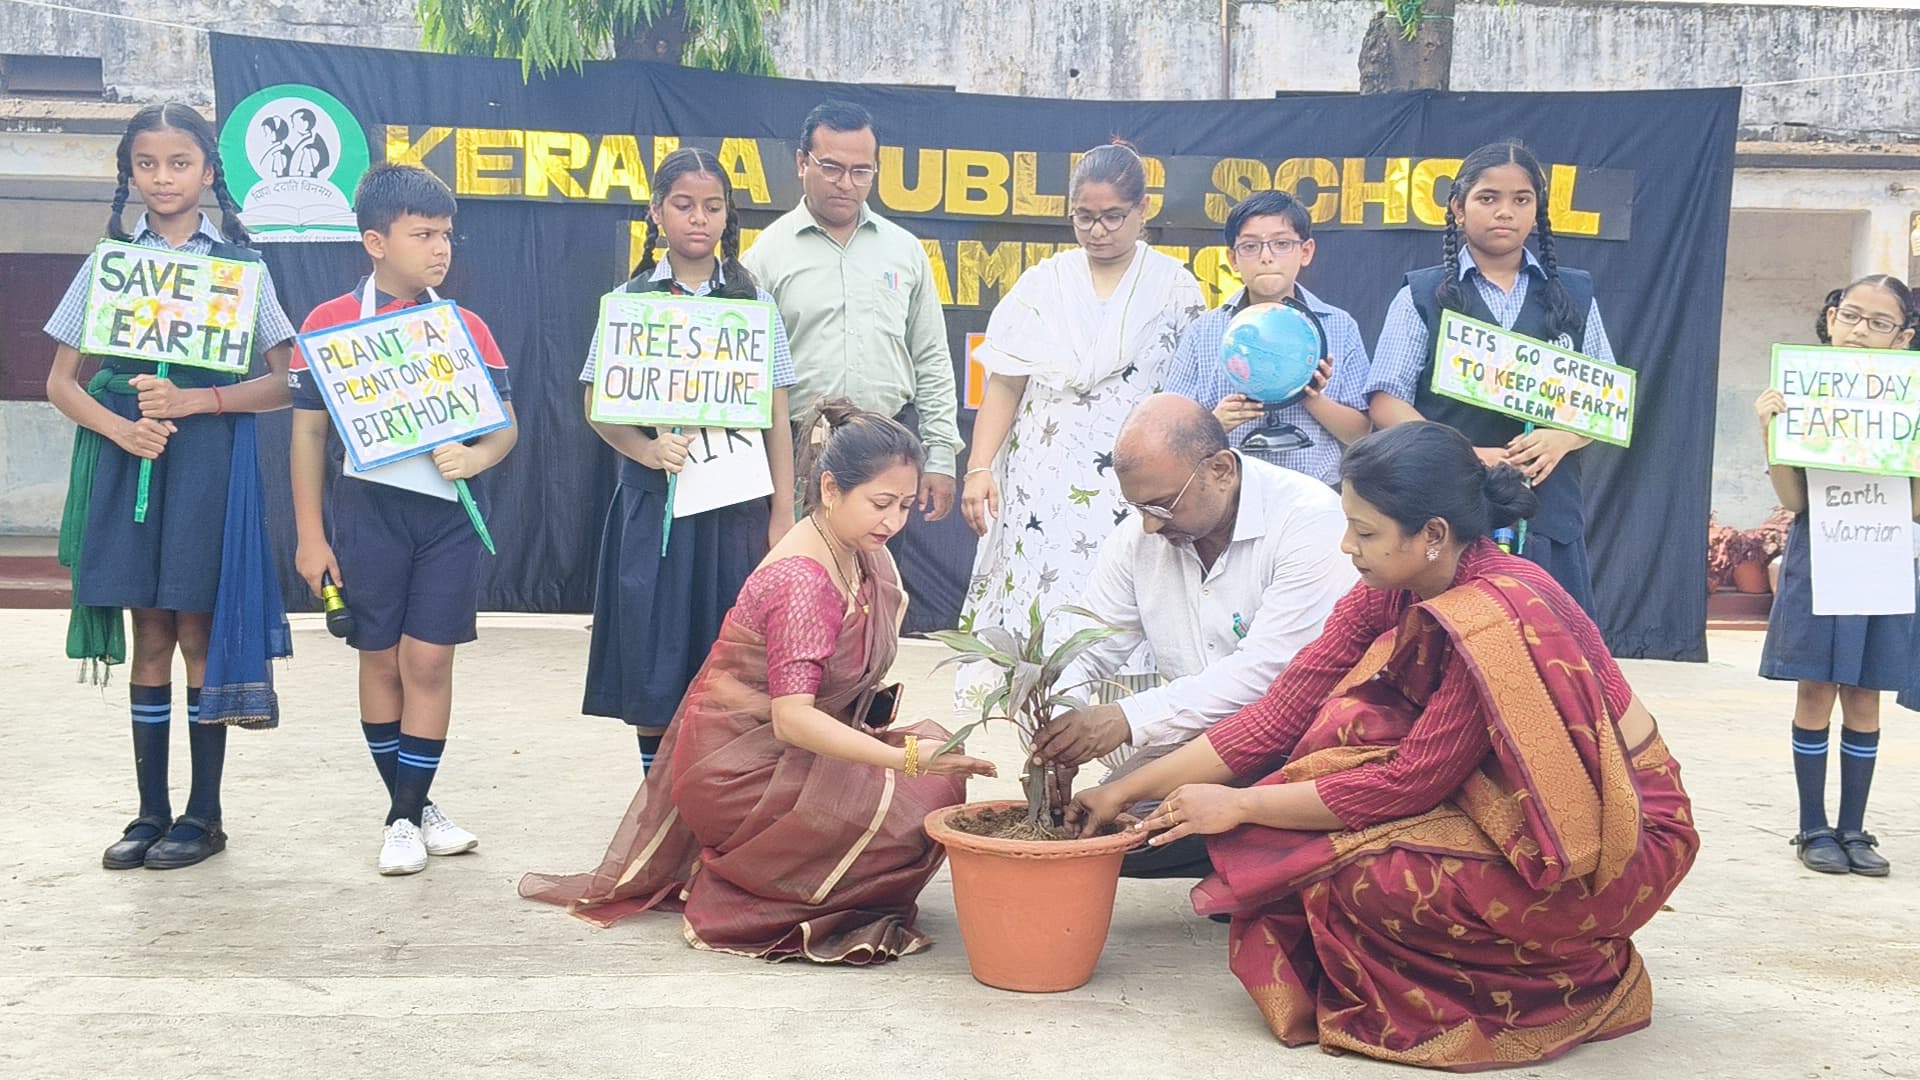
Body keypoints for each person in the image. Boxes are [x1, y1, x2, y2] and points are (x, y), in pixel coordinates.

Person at [1067, 422, 1697, 1071]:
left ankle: (1573, 980)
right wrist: (1122, 791)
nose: (1347, 547)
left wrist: (1240, 806)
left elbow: (1409, 783)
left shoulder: (1494, 616)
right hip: (1504, 800)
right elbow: (1278, 717)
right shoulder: (1390, 591)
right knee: (1331, 744)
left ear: (1432, 536)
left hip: (1617, 835)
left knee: (1359, 875)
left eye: (1364, 532)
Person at [522, 402, 996, 963]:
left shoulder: (859, 552)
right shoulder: (804, 581)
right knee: (918, 799)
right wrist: (908, 759)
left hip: (785, 753)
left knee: (932, 789)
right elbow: (791, 719)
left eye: (904, 506)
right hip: (743, 776)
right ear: (830, 488)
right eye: (880, 503)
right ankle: (756, 890)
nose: (893, 521)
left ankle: (792, 869)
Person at [44, 103, 298, 871]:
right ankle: (150, 812)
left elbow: (286, 382)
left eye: (179, 163)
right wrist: (122, 431)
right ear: (129, 174)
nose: (163, 178)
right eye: (146, 164)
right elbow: (61, 382)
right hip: (130, 457)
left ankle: (204, 816)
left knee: (196, 631)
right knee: (149, 630)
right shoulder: (111, 264)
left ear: (208, 172)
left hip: (207, 460)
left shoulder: (242, 268)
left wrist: (198, 400)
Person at [289, 164, 520, 876]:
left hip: (448, 515)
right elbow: (308, 434)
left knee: (429, 660)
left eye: (446, 234)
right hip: (367, 511)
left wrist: (476, 458)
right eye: (422, 234)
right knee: (380, 657)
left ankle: (402, 815)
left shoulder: (466, 327)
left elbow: (505, 428)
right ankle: (413, 810)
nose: (440, 248)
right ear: (375, 241)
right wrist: (311, 537)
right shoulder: (329, 324)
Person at [1027, 395, 1354, 878]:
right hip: (1204, 741)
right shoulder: (1139, 538)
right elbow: (1087, 645)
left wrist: (1125, 719)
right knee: (1100, 831)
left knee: (1126, 833)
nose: (1149, 524)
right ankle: (1252, 862)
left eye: (1162, 505)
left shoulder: (1310, 521)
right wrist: (1060, 726)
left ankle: (1273, 863)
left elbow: (1267, 679)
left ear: (1221, 470)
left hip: (1305, 740)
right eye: (1138, 506)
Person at [957, 141, 1205, 716]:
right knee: (1044, 609)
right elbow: (1005, 384)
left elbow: (1188, 388)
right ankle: (1045, 732)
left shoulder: (1174, 287)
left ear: (1143, 210)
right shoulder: (1042, 285)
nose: (1097, 231)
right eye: (1084, 217)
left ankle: (1126, 740)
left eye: (1113, 217)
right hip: (1043, 483)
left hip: (1138, 480)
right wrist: (979, 468)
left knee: (1129, 608)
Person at [578, 148, 798, 772]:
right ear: (656, 212)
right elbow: (596, 403)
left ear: (728, 216)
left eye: (712, 206)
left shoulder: (755, 303)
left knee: (731, 658)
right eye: (683, 205)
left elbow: (777, 413)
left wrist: (783, 510)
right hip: (655, 506)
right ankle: (657, 797)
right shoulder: (628, 300)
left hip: (736, 507)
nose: (699, 218)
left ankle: (715, 799)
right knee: (653, 658)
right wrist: (646, 449)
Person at [1368, 140, 1617, 615]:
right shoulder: (1422, 294)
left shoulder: (1575, 294)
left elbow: (1606, 404)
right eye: (1488, 198)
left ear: (1537, 210)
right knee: (1449, 642)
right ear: (1458, 208)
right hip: (1448, 514)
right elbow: (1385, 401)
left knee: (1549, 646)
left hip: (1547, 515)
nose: (1505, 212)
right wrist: (1465, 453)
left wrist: (1563, 437)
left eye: (1521, 199)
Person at [1756, 274, 1920, 878]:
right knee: (1816, 690)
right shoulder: (1801, 392)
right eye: (1850, 315)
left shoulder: (1909, 402)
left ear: (1903, 338)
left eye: (1880, 323)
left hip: (1883, 554)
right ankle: (1812, 827)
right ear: (1830, 320)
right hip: (1820, 551)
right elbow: (1794, 499)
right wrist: (1771, 430)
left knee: (1865, 693)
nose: (1860, 331)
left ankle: (1854, 827)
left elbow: (1914, 507)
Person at [741, 100, 962, 524]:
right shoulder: (765, 257)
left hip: (888, 451)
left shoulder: (905, 251)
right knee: (801, 566)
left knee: (878, 567)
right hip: (798, 456)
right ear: (802, 163)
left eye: (861, 171)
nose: (846, 183)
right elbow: (752, 377)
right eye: (831, 168)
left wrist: (940, 456)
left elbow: (931, 358)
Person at [1164, 191, 1370, 487]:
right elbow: (1173, 431)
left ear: (1306, 251)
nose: (1266, 256)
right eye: (1250, 246)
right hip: (1228, 494)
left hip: (1314, 492)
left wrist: (1309, 394)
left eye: (1282, 243)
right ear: (1233, 259)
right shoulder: (1204, 331)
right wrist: (1216, 424)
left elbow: (1361, 433)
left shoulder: (1338, 326)